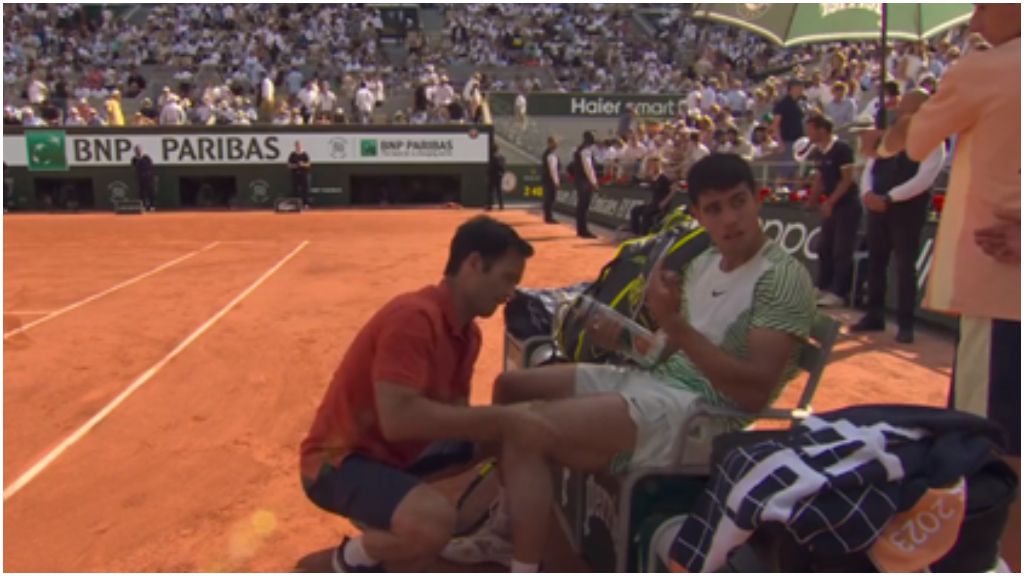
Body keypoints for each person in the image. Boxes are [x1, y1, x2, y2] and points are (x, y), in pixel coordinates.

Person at [443, 154, 815, 570]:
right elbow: (673, 350)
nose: (730, 218)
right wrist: (625, 340)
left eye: (738, 201)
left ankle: (523, 563)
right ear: (697, 214)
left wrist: (674, 323)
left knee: (527, 431)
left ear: (758, 200)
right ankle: (505, 526)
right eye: (714, 208)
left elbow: (752, 392)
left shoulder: (782, 278)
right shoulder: (705, 263)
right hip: (657, 385)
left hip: (704, 415)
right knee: (512, 388)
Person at [300, 216, 538, 572]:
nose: (510, 293)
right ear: (473, 264)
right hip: (336, 464)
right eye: (506, 278)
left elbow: (456, 419)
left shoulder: (468, 335)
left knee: (511, 437)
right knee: (433, 524)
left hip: (397, 457)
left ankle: (499, 536)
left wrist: (509, 430)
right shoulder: (413, 318)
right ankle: (342, 563)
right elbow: (399, 420)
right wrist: (506, 417)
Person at [880, 5, 1020, 570]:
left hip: (1000, 290)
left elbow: (904, 146)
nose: (974, 14)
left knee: (992, 447)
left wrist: (908, 111)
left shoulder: (981, 70)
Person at [851, 90, 945, 344]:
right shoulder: (890, 136)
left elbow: (924, 178)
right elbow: (871, 167)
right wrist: (868, 193)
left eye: (908, 107)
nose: (902, 111)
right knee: (875, 263)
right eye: (903, 107)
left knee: (905, 268)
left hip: (907, 212)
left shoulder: (932, 140)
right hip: (877, 209)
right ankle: (874, 315)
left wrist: (890, 198)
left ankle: (906, 323)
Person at [804, 114, 861, 308]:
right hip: (832, 205)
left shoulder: (843, 149)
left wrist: (830, 202)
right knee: (824, 247)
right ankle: (823, 287)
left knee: (841, 250)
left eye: (810, 129)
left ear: (822, 129)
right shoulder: (819, 151)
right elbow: (820, 178)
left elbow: (847, 180)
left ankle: (839, 292)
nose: (807, 133)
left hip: (847, 205)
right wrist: (812, 199)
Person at [629, 155, 676, 236]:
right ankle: (635, 233)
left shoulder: (664, 178)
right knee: (635, 210)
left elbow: (673, 190)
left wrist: (664, 203)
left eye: (650, 165)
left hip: (661, 204)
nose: (648, 166)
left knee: (646, 214)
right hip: (653, 203)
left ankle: (644, 235)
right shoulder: (653, 177)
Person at [570, 131, 599, 239]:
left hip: (579, 180)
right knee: (584, 206)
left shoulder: (578, 150)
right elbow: (588, 168)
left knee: (581, 206)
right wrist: (594, 181)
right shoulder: (586, 151)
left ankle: (580, 229)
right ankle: (583, 230)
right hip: (585, 181)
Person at [540, 136, 560, 224]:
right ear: (550, 143)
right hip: (550, 179)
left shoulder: (549, 153)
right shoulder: (550, 154)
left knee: (548, 198)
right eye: (554, 142)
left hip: (547, 178)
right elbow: (553, 169)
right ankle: (549, 216)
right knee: (550, 198)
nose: (556, 144)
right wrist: (556, 181)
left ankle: (548, 216)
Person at [130, 146, 156, 211]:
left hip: (148, 178)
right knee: (141, 193)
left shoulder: (146, 158)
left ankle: (152, 206)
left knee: (150, 192)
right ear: (135, 151)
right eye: (136, 150)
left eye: (139, 150)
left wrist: (150, 175)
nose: (138, 151)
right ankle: (143, 206)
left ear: (141, 150)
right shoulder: (134, 159)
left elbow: (150, 166)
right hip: (140, 178)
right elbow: (134, 167)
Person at [288, 141, 312, 209]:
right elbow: (289, 165)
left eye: (299, 145)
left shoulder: (304, 154)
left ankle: (305, 204)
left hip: (304, 175)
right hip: (295, 175)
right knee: (295, 190)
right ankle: (296, 205)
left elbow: (308, 164)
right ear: (295, 146)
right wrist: (295, 165)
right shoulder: (292, 154)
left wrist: (303, 164)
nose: (298, 146)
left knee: (305, 189)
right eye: (297, 145)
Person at [486, 143, 506, 211]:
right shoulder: (502, 157)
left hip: (493, 175)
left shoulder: (492, 157)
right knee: (499, 191)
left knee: (491, 191)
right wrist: (502, 173)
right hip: (499, 175)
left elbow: (491, 167)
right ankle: (501, 206)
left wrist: (488, 173)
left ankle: (490, 206)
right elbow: (503, 166)